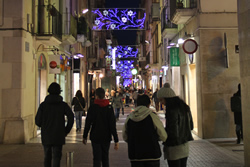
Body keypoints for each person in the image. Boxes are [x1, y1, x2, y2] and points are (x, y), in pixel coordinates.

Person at [35, 82, 74, 167]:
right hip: (58, 134)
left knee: (47, 157)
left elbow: (37, 121)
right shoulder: (63, 105)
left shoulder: (43, 105)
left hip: (47, 134)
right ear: (59, 91)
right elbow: (71, 117)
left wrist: (44, 126)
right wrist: (66, 130)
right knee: (56, 156)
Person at [123, 94, 167, 167]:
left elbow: (125, 136)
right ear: (149, 104)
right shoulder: (153, 116)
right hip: (152, 155)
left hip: (135, 155)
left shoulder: (129, 118)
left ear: (137, 104)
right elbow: (163, 136)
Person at [157, 83, 194, 167]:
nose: (161, 103)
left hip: (174, 145)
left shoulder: (171, 110)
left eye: (161, 100)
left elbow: (172, 129)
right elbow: (191, 126)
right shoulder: (185, 107)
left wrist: (165, 138)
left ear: (167, 98)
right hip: (185, 145)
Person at [83, 87, 119, 167]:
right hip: (106, 136)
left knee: (96, 158)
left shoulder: (92, 108)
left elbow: (88, 123)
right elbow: (112, 125)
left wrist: (85, 136)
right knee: (105, 158)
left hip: (95, 136)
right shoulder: (109, 108)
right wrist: (116, 140)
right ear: (104, 95)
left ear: (96, 96)